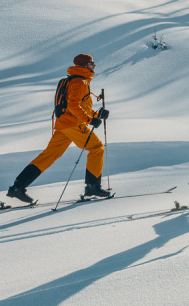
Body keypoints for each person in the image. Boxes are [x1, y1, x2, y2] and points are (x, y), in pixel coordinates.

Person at [6, 54, 111, 204]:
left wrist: (96, 114)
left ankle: (17, 187)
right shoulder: (81, 82)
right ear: (83, 65)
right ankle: (92, 187)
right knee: (97, 148)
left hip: (63, 125)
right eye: (91, 63)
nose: (94, 66)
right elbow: (74, 106)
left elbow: (80, 106)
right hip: (73, 124)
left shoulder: (70, 80)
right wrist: (90, 120)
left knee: (49, 155)